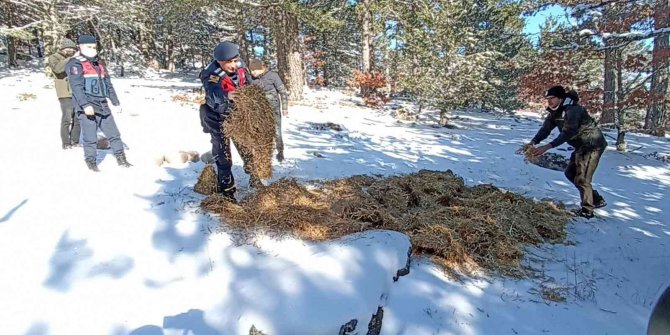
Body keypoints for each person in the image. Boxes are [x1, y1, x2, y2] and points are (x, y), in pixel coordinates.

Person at [529, 86, 608, 218]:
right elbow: (545, 129)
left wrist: (548, 146)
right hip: (580, 146)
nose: (549, 101)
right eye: (547, 98)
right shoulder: (555, 112)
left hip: (592, 144)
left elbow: (569, 132)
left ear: (561, 98)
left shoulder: (573, 110)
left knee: (582, 178)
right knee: (570, 173)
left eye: (552, 98)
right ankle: (596, 200)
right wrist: (533, 142)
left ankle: (587, 211)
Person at [199, 41, 256, 202]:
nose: (233, 65)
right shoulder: (211, 74)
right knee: (223, 153)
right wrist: (227, 96)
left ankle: (255, 177)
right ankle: (227, 190)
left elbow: (249, 82)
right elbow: (212, 93)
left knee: (246, 146)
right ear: (219, 62)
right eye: (228, 63)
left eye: (234, 60)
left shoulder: (240, 66)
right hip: (217, 117)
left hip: (236, 116)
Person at [66, 35, 131, 172]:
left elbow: (107, 84)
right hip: (87, 104)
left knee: (114, 133)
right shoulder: (75, 63)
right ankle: (91, 162)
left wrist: (115, 101)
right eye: (89, 47)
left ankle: (121, 158)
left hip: (102, 103)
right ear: (81, 47)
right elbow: (76, 87)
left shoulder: (99, 63)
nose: (92, 49)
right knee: (90, 136)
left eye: (94, 47)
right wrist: (85, 105)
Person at [248, 59, 289, 162]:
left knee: (277, 131)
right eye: (251, 71)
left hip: (274, 109)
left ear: (261, 68)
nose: (253, 73)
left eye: (255, 70)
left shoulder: (273, 76)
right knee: (261, 131)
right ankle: (265, 151)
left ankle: (280, 151)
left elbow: (283, 92)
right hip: (260, 110)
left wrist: (284, 108)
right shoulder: (252, 79)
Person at [47, 38, 80, 149]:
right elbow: (58, 69)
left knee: (78, 117)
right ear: (62, 48)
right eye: (68, 48)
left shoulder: (76, 58)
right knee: (67, 116)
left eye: (73, 48)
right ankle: (66, 143)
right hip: (64, 92)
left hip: (77, 91)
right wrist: (71, 59)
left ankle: (75, 141)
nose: (71, 50)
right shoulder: (54, 57)